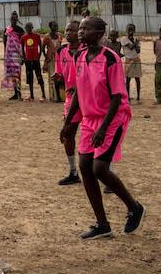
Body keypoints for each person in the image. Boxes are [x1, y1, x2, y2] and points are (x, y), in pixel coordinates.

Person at [62, 16, 145, 240]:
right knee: (85, 166)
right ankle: (102, 224)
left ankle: (134, 207)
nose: (80, 32)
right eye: (80, 28)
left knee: (99, 168)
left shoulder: (110, 58)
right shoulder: (79, 56)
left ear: (99, 34)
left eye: (85, 28)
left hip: (113, 117)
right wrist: (68, 123)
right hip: (90, 119)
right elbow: (78, 92)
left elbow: (117, 97)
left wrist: (103, 128)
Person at [56, 19, 82, 185]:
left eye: (72, 30)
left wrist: (78, 86)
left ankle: (107, 172)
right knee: (68, 134)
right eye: (67, 30)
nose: (68, 33)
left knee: (96, 135)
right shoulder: (61, 51)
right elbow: (61, 74)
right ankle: (73, 172)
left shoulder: (87, 51)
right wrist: (58, 78)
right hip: (71, 99)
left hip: (88, 98)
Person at [21, 22, 45, 101]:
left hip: (35, 60)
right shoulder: (23, 37)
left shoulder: (37, 36)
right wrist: (24, 57)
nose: (28, 29)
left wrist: (39, 55)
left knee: (39, 76)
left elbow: (40, 46)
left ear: (32, 27)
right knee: (30, 78)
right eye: (27, 28)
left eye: (30, 27)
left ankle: (43, 94)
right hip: (28, 60)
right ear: (25, 29)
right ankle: (31, 96)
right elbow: (22, 48)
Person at [2, 14, 23, 100]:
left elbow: (22, 43)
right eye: (12, 19)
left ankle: (19, 93)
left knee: (18, 74)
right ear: (10, 20)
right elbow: (5, 42)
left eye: (15, 19)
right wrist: (5, 54)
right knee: (12, 74)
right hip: (9, 55)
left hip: (17, 54)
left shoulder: (20, 30)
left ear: (17, 20)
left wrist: (22, 56)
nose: (13, 21)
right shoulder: (7, 29)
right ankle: (15, 93)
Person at [121, 24, 142, 103]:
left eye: (132, 29)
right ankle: (128, 96)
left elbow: (138, 50)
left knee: (137, 78)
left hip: (136, 60)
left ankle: (138, 96)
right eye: (129, 29)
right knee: (128, 79)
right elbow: (130, 47)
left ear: (134, 31)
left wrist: (135, 43)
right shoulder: (124, 39)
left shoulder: (135, 39)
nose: (130, 31)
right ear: (126, 30)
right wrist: (135, 43)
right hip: (128, 60)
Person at [42, 21, 62, 103]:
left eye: (57, 26)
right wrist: (46, 57)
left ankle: (59, 96)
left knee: (58, 77)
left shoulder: (59, 35)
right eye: (54, 26)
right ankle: (52, 96)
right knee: (51, 78)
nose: (56, 27)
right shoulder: (46, 36)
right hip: (50, 59)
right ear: (50, 27)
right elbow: (43, 48)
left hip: (59, 59)